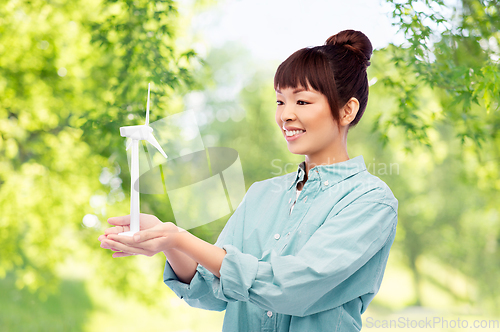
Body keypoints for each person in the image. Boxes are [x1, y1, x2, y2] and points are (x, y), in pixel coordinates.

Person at [99, 29, 398, 332]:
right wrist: (168, 242)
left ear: (347, 110)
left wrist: (180, 237)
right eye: (280, 102)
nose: (286, 116)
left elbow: (290, 288)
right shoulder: (263, 195)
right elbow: (210, 289)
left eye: (302, 102)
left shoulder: (370, 201)